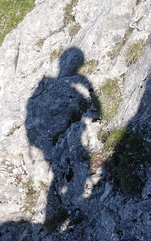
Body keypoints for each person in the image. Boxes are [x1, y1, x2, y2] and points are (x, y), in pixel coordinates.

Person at [25, 47, 99, 230]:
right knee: (66, 167)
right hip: (54, 139)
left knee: (61, 171)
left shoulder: (48, 87)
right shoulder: (72, 83)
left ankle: (60, 215)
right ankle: (64, 212)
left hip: (48, 141)